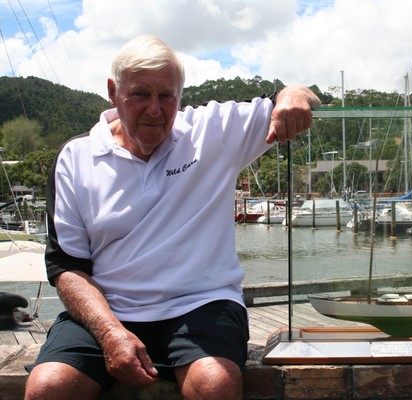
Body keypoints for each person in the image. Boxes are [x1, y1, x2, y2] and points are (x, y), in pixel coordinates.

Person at [24, 34, 321, 400]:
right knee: (48, 387)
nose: (154, 109)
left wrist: (292, 95)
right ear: (113, 92)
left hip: (201, 303)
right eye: (140, 94)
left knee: (215, 384)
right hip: (109, 308)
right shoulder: (76, 158)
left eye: (167, 96)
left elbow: (300, 95)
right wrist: (110, 332)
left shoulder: (211, 131)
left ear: (180, 95)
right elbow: (67, 268)